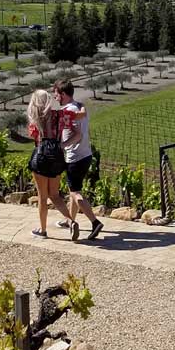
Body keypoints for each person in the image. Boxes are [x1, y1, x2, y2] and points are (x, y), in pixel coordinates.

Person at [53, 79, 104, 240]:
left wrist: (62, 145)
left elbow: (77, 134)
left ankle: (95, 222)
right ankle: (70, 220)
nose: (55, 98)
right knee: (73, 190)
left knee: (75, 193)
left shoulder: (67, 113)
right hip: (86, 155)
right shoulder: (78, 107)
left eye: (56, 94)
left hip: (74, 157)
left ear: (63, 94)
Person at [26, 89, 80, 240]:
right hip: (57, 155)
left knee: (43, 197)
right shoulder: (60, 114)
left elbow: (33, 136)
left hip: (41, 156)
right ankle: (71, 221)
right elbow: (77, 128)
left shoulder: (36, 118)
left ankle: (43, 230)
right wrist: (62, 145)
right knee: (55, 195)